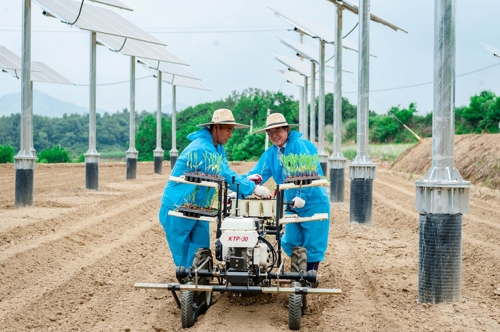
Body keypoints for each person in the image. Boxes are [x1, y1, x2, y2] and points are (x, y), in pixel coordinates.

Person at [159, 109, 271, 268]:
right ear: (216, 127)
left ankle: (201, 285)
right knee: (184, 260)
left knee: (201, 250)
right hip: (178, 207)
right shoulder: (201, 148)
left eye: (232, 130)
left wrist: (239, 188)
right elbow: (224, 173)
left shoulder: (218, 149)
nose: (231, 134)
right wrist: (252, 188)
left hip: (199, 206)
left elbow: (227, 174)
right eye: (228, 129)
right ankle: (190, 289)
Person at [246, 113, 330, 272]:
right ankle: (299, 272)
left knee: (312, 243)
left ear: (287, 129)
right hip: (292, 203)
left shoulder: (298, 145)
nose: (274, 135)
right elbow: (258, 173)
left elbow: (307, 172)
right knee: (291, 240)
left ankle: (308, 278)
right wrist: (242, 188)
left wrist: (302, 195)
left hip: (313, 202)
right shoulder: (272, 153)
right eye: (270, 132)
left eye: (278, 130)